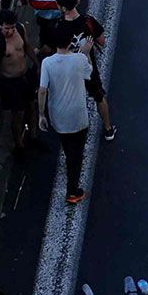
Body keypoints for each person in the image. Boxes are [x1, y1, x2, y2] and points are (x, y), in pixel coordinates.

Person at [36, 26, 98, 207]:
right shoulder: (79, 59)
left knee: (67, 145)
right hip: (77, 116)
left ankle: (70, 172)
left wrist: (41, 114)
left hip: (58, 115)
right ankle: (72, 191)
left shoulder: (47, 63)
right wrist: (86, 52)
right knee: (76, 154)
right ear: (70, 41)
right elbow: (89, 73)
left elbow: (42, 90)